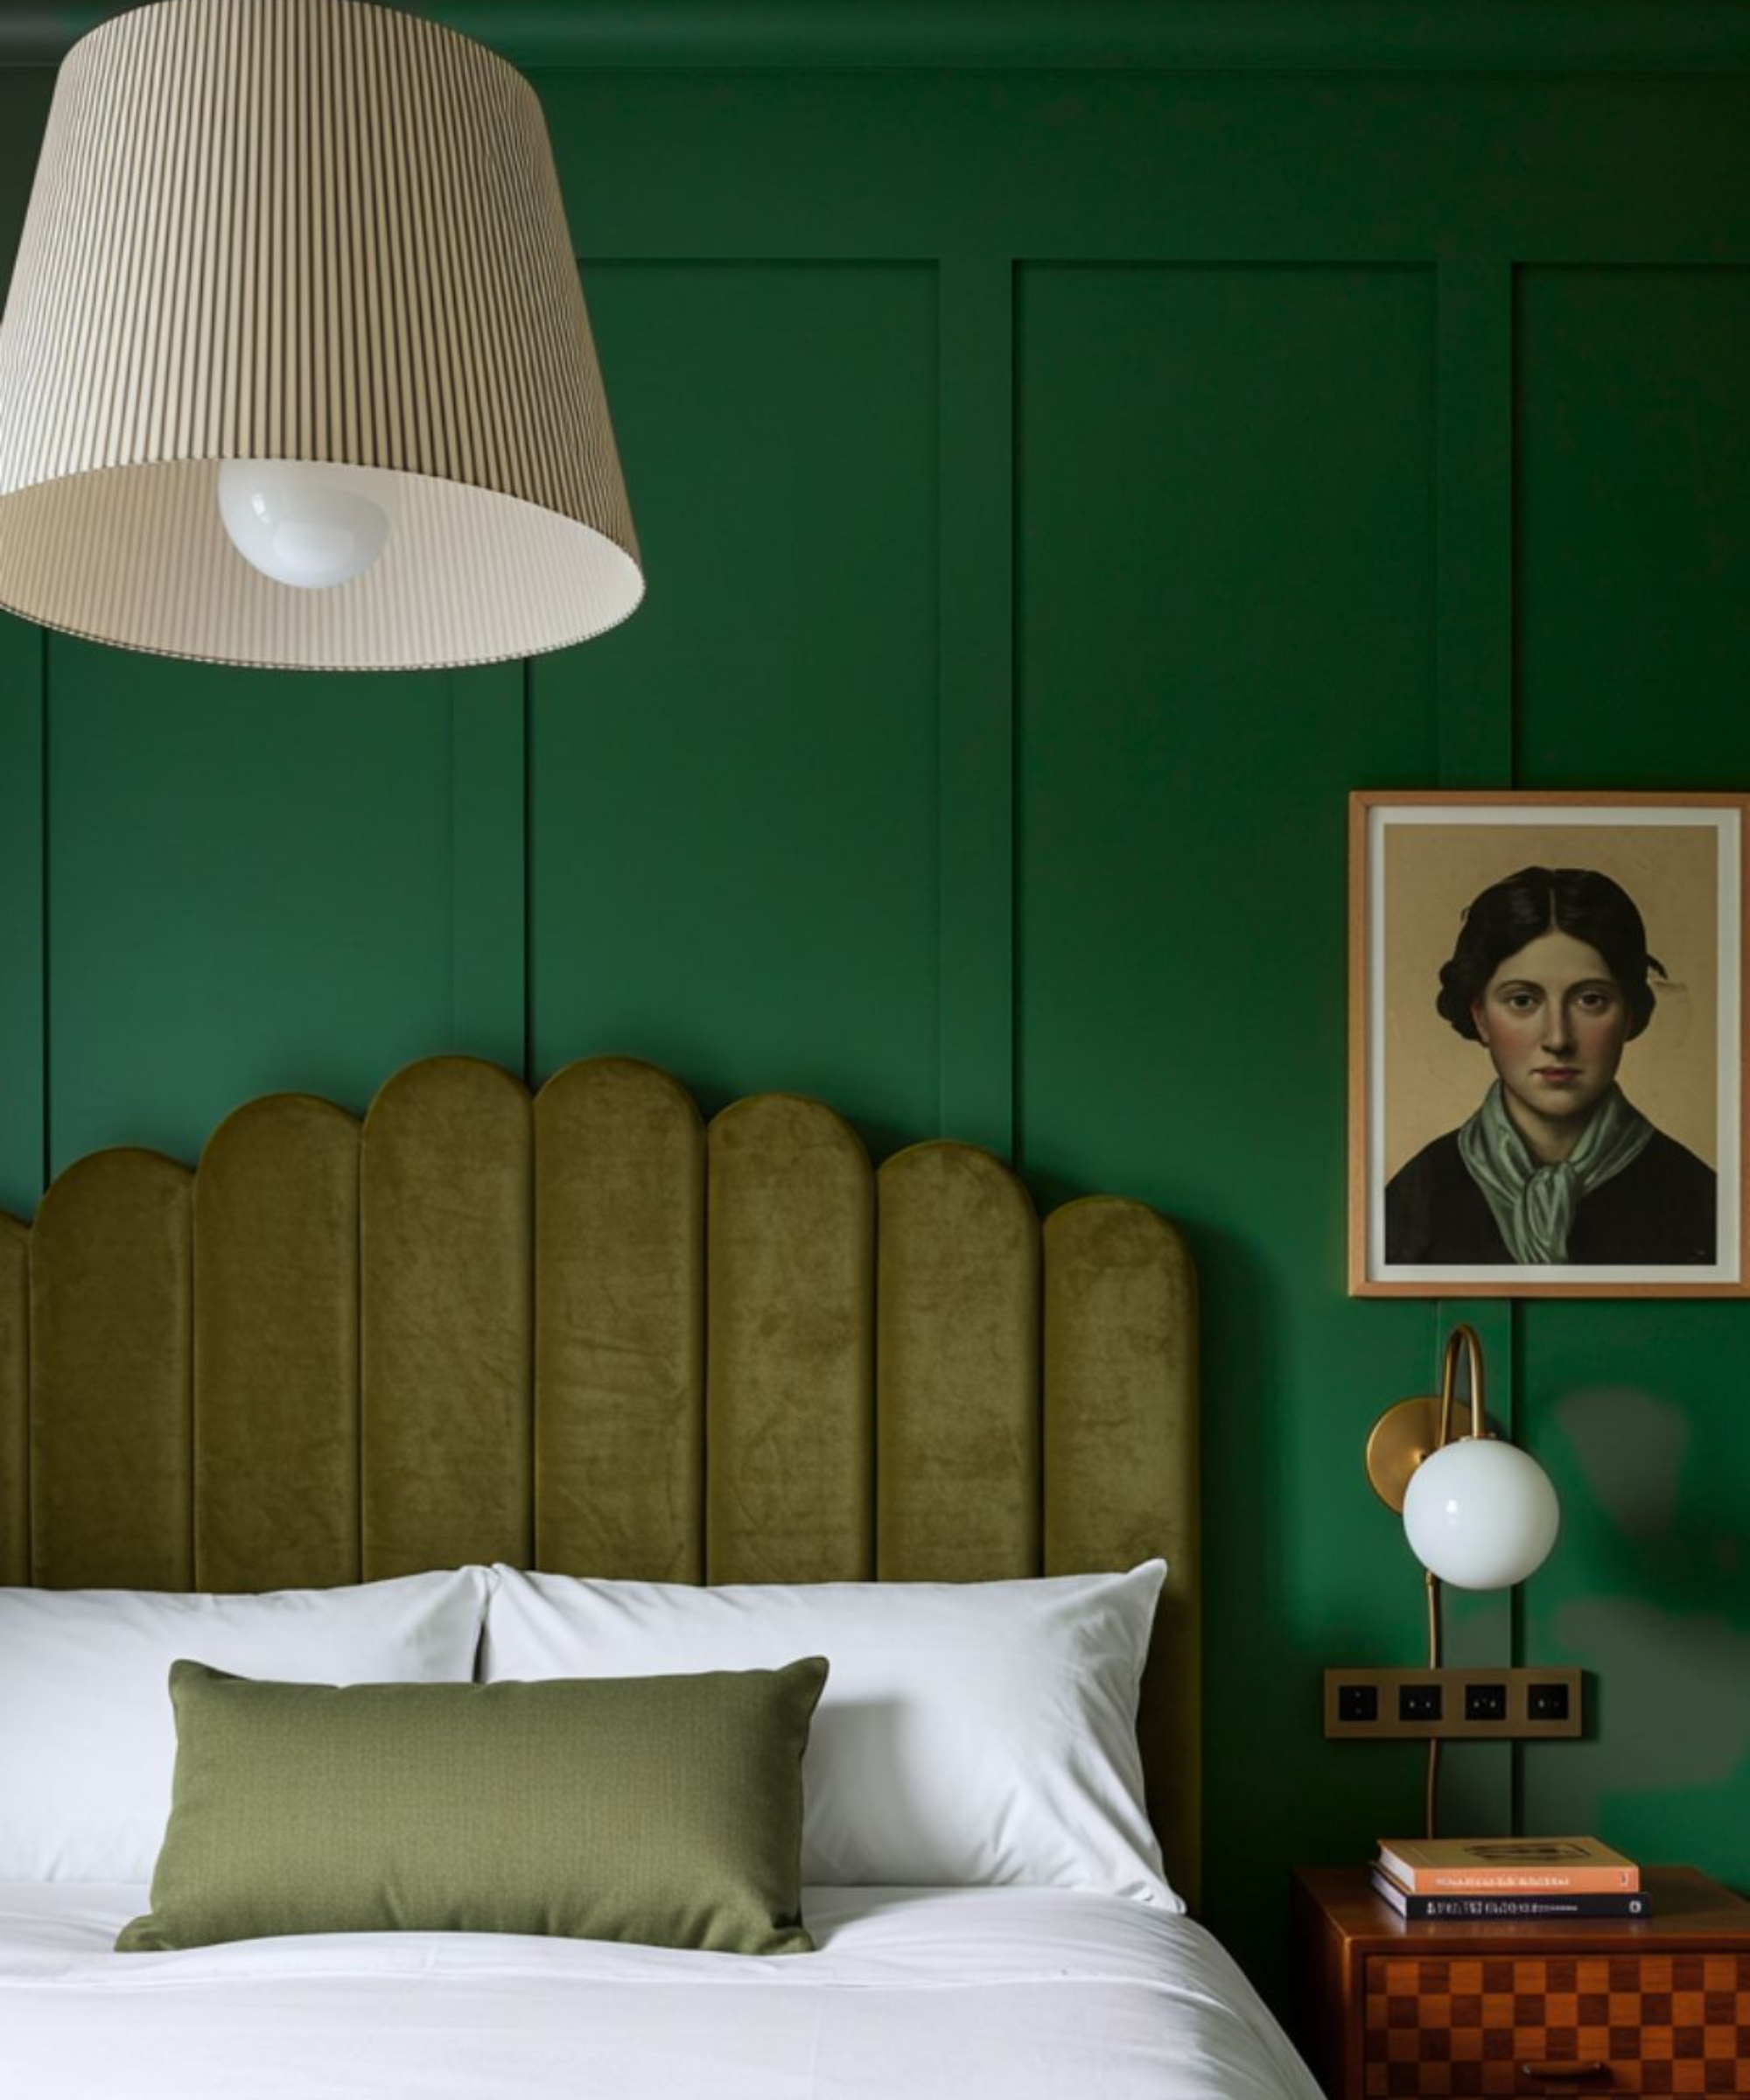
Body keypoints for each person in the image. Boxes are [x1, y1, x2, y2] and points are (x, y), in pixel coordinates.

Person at [1384, 864, 1717, 1265]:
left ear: (1629, 1014)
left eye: (1590, 999)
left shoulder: (1700, 1201)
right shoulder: (1416, 1196)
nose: (1558, 1039)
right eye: (1523, 1000)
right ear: (1480, 1017)